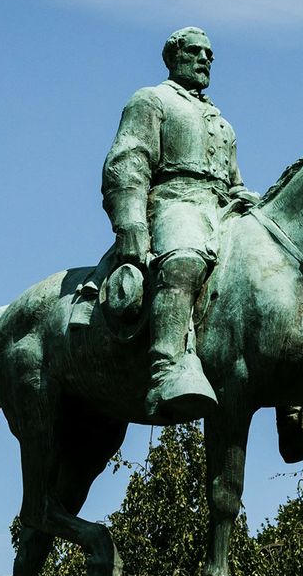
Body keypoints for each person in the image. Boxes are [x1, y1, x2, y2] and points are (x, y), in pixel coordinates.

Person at [101, 27, 258, 421]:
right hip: (174, 203)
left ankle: (297, 407)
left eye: (210, 54)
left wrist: (250, 199)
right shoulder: (152, 100)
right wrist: (132, 223)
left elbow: (233, 179)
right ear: (173, 56)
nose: (206, 59)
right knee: (184, 259)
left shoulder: (221, 122)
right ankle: (166, 368)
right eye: (196, 51)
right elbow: (127, 163)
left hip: (223, 207)